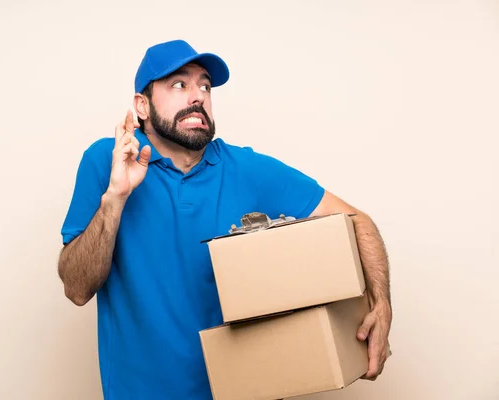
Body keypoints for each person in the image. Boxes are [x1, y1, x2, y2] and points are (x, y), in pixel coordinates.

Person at [57, 39, 392, 399]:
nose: (197, 96)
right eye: (179, 84)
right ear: (142, 105)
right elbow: (77, 289)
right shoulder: (107, 161)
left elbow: (358, 222)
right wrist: (115, 198)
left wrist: (381, 303)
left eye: (204, 85)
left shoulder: (247, 169)